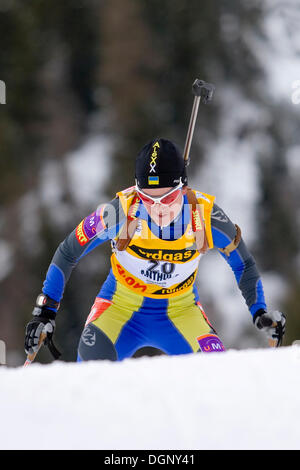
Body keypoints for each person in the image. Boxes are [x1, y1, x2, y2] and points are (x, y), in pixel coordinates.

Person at [24, 138, 286, 361]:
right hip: (118, 309)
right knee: (90, 376)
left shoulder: (205, 217)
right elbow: (69, 251)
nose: (159, 208)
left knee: (215, 374)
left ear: (183, 188)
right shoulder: (120, 213)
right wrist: (45, 311)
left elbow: (244, 264)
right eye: (148, 198)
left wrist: (259, 311)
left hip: (181, 311)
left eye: (168, 198)